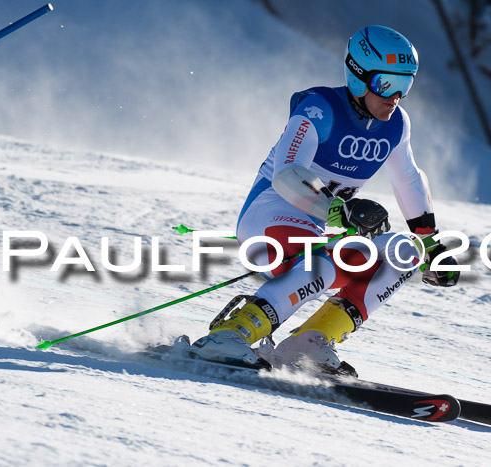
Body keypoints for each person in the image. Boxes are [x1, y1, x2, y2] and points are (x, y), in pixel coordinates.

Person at [189, 25, 459, 374]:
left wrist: (430, 242)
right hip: (269, 218)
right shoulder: (320, 110)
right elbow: (287, 175)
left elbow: (407, 176)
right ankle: (230, 334)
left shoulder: (396, 125)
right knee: (322, 259)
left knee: (404, 252)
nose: (394, 97)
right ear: (359, 77)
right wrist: (337, 209)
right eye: (386, 84)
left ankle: (309, 344)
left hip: (317, 224)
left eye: (404, 85)